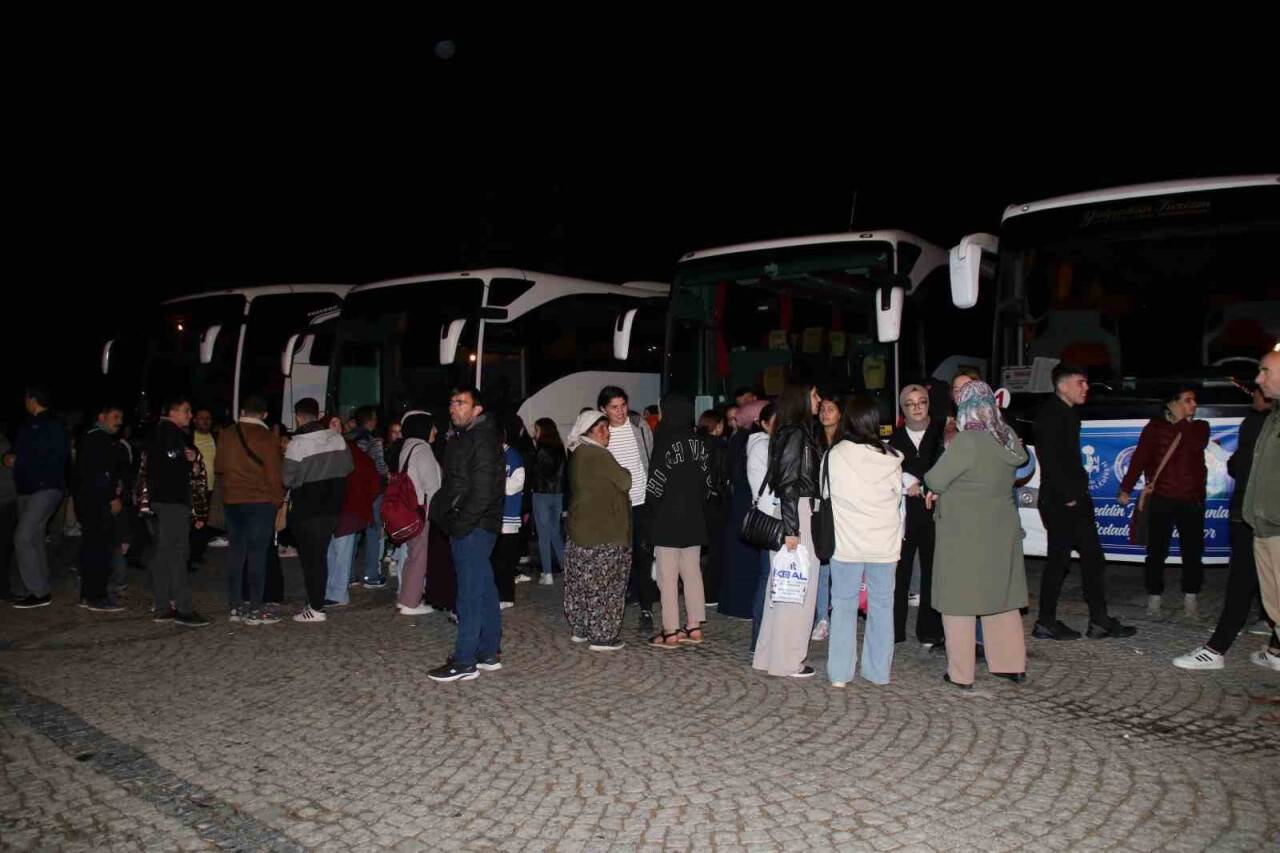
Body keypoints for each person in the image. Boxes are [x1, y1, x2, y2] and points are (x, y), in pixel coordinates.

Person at [926, 381, 1029, 688]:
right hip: (1001, 529)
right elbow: (1020, 462)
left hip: (965, 533)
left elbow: (935, 478)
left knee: (958, 600)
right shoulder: (1006, 437)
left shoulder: (968, 440)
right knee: (1002, 597)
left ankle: (961, 673)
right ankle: (1010, 664)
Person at [1174, 379, 1279, 669]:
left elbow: (1240, 467)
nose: (1257, 387)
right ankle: (1275, 649)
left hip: (1255, 517)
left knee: (1241, 583)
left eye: (1263, 379)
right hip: (1262, 516)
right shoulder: (1266, 422)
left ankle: (1216, 650)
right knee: (1264, 585)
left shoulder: (1259, 423)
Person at [1033, 364, 1135, 640]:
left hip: (1068, 498)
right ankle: (1051, 621)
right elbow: (1051, 459)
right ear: (1062, 386)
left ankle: (1092, 620)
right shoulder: (1053, 415)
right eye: (1080, 383)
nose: (1086, 388)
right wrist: (1068, 497)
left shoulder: (1065, 413)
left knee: (1084, 559)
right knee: (1065, 561)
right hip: (1064, 501)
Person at [427, 387, 504, 682]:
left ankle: (465, 661)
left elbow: (483, 490)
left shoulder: (481, 440)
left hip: (474, 526)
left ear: (477, 410)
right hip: (472, 524)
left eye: (461, 403)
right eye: (451, 402)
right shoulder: (467, 437)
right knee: (483, 589)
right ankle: (487, 652)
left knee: (469, 595)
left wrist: (462, 524)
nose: (453, 408)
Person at [825, 394, 903, 686]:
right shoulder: (891, 458)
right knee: (882, 607)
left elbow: (826, 493)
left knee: (843, 607)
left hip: (847, 543)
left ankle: (840, 673)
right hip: (884, 542)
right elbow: (897, 497)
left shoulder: (835, 455)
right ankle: (878, 671)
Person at [1119, 384, 1210, 618]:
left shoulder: (1200, 427)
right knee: (1157, 550)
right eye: (1188, 400)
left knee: (1192, 551)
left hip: (1192, 501)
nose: (1194, 404)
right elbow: (1139, 458)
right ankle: (1154, 598)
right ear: (1173, 403)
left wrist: (1180, 420)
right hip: (1162, 499)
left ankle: (1191, 599)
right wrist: (1126, 488)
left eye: (1194, 400)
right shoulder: (1155, 428)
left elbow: (1194, 444)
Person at [753, 384, 822, 678]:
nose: (819, 400)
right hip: (798, 514)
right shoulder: (797, 433)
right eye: (815, 395)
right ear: (803, 399)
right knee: (797, 590)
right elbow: (790, 484)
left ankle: (769, 657)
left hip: (793, 514)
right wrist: (793, 529)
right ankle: (788, 661)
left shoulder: (788, 432)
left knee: (781, 589)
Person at [563, 409, 633, 651]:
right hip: (603, 532)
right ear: (587, 432)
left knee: (582, 583)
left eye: (607, 428)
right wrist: (627, 472)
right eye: (601, 429)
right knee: (606, 585)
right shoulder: (597, 454)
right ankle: (602, 636)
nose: (607, 433)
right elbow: (624, 481)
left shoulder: (578, 452)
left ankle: (581, 628)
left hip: (581, 531)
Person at [647, 394, 712, 649]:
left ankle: (670, 631)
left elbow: (655, 485)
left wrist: (651, 507)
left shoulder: (665, 442)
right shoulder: (700, 442)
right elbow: (708, 483)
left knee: (667, 576)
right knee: (693, 573)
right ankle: (694, 626)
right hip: (695, 518)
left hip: (668, 519)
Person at [282, 399, 352, 623]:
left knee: (311, 561)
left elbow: (287, 479)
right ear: (318, 414)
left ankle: (315, 607)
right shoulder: (337, 439)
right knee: (320, 557)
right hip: (332, 509)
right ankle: (316, 601)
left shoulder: (298, 444)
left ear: (298, 417)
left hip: (306, 510)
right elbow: (349, 467)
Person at [215, 395, 284, 625]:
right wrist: (277, 500)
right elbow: (274, 474)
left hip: (233, 501)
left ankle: (235, 606)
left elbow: (219, 466)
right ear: (264, 415)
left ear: (243, 411)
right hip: (260, 502)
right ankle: (255, 608)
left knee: (236, 553)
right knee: (257, 554)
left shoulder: (226, 434)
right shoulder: (266, 437)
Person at [143, 397, 210, 627]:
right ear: (172, 412)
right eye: (186, 411)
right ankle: (182, 608)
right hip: (172, 501)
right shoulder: (169, 433)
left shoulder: (161, 432)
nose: (190, 416)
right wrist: (190, 462)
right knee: (177, 554)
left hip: (164, 500)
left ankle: (163, 606)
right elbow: (173, 461)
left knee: (165, 554)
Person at [888, 384, 946, 648]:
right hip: (904, 516)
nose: (917, 408)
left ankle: (930, 630)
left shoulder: (943, 432)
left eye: (921, 402)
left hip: (937, 513)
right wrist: (906, 483)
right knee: (899, 574)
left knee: (934, 573)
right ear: (903, 408)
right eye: (910, 404)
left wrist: (926, 485)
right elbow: (887, 472)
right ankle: (894, 629)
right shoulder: (895, 438)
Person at [599, 386, 656, 629]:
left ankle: (646, 611)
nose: (620, 411)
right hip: (614, 508)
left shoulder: (640, 427)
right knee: (617, 559)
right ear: (603, 409)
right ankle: (614, 611)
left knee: (643, 556)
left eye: (623, 405)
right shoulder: (600, 432)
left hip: (642, 502)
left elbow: (650, 460)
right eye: (614, 407)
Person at [7, 386, 68, 608]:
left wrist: (21, 459)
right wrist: (9, 458)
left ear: (32, 400)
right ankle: (39, 587)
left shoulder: (51, 424)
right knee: (34, 539)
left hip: (45, 488)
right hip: (25, 489)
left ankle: (39, 592)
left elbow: (55, 456)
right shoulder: (26, 426)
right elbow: (16, 452)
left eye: (26, 398)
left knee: (22, 537)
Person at [1242, 350, 1280, 673]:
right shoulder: (1273, 417)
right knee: (1276, 612)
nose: (1258, 379)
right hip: (1264, 529)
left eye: (1265, 371)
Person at [325, 416, 383, 609]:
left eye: (338, 423)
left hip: (348, 507)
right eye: (331, 423)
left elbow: (370, 474)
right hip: (331, 509)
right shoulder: (330, 447)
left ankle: (338, 593)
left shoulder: (350, 449)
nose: (336, 427)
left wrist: (364, 500)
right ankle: (331, 590)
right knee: (332, 551)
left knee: (341, 550)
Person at [75, 404, 128, 612]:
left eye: (121, 418)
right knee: (100, 549)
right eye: (115, 416)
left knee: (91, 547)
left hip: (90, 502)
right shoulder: (99, 439)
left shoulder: (91, 437)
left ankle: (88, 594)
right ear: (102, 416)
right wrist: (111, 497)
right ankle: (96, 596)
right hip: (97, 503)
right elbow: (99, 473)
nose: (119, 422)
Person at [719, 401, 768, 620]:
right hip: (750, 501)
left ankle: (734, 603)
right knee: (749, 557)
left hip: (738, 503)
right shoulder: (756, 442)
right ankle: (747, 605)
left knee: (739, 555)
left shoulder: (737, 440)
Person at [392, 410, 443, 616]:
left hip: (410, 510)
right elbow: (433, 486)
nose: (436, 431)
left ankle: (406, 598)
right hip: (422, 512)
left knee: (413, 556)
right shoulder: (422, 449)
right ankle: (410, 603)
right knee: (419, 557)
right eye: (432, 426)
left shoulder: (407, 445)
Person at [810, 394, 846, 642]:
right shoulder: (813, 441)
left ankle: (843, 615)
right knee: (823, 565)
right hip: (821, 509)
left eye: (830, 409)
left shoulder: (849, 442)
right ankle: (823, 617)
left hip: (845, 509)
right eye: (822, 409)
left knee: (843, 565)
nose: (824, 413)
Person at [748, 402, 778, 652]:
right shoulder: (763, 447)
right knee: (768, 578)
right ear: (765, 424)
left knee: (770, 578)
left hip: (773, 517)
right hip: (772, 520)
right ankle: (760, 640)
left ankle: (765, 639)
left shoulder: (767, 445)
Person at [350, 406, 389, 589]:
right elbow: (380, 467)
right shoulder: (373, 441)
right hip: (372, 492)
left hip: (353, 491)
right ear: (371, 420)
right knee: (374, 531)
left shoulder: (347, 438)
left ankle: (349, 575)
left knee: (352, 532)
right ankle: (371, 574)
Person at [697, 408, 731, 609]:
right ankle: (711, 592)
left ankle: (698, 591)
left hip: (698, 503)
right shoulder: (719, 446)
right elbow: (723, 476)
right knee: (717, 549)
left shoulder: (695, 444)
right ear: (717, 425)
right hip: (716, 504)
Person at [492, 417, 527, 609]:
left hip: (508, 517)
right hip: (492, 516)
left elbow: (516, 485)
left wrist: (493, 485)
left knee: (505, 561)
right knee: (495, 560)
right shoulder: (490, 455)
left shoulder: (513, 456)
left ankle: (505, 597)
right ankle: (496, 594)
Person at [530, 418, 567, 586]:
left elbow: (535, 473)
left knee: (543, 534)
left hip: (541, 494)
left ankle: (547, 573)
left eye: (536, 430)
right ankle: (566, 567)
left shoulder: (540, 451)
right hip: (557, 494)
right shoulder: (560, 449)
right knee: (555, 532)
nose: (534, 433)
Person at [0, 423, 16, 601]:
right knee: (4, 548)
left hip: (7, 501)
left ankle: (3, 588)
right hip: (5, 501)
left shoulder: (6, 443)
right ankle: (3, 589)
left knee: (5, 548)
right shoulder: (6, 444)